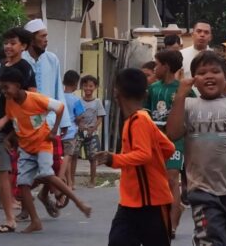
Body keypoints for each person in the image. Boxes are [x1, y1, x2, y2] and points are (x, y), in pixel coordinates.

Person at [165, 51, 226, 246]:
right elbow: (173, 133)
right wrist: (180, 96)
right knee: (211, 239)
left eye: (215, 71)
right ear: (194, 79)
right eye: (202, 73)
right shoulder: (188, 105)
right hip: (202, 190)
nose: (209, 76)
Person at [0, 67, 91, 233]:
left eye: (6, 87)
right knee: (23, 184)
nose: (3, 91)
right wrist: (8, 138)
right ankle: (35, 221)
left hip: (43, 144)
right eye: (1, 88)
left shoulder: (35, 99)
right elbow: (18, 122)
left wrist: (54, 130)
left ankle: (78, 202)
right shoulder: (10, 103)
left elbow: (60, 107)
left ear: (18, 86)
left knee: (47, 173)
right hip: (26, 148)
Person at [95, 68, 175, 246]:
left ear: (117, 93)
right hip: (133, 201)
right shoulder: (141, 119)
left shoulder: (138, 121)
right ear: (145, 93)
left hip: (149, 202)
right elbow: (168, 147)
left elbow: (143, 155)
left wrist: (113, 159)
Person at [0, 28, 37, 231]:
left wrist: (10, 123)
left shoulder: (26, 68)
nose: (8, 47)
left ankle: (31, 206)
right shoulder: (4, 67)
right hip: (0, 129)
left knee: (33, 170)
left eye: (13, 43)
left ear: (24, 46)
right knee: (2, 171)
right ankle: (9, 218)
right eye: (6, 43)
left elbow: (31, 98)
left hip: (20, 130)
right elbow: (0, 92)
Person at [145, 50, 194, 239]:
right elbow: (146, 114)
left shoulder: (183, 89)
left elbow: (193, 112)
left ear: (165, 66)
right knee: (160, 181)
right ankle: (171, 211)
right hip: (155, 141)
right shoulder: (152, 89)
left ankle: (171, 226)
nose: (154, 68)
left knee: (172, 178)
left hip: (175, 141)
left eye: (157, 64)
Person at [78, 75, 106, 188]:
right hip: (80, 132)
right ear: (82, 87)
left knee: (93, 157)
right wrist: (80, 125)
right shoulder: (79, 101)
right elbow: (77, 116)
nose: (88, 88)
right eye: (85, 85)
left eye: (91, 86)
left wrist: (93, 128)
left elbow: (100, 117)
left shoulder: (97, 102)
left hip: (92, 133)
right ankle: (70, 181)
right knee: (74, 155)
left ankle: (93, 180)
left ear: (95, 87)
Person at [61, 70, 85, 191]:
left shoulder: (58, 96)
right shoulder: (76, 100)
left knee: (65, 158)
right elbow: (80, 116)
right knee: (68, 157)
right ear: (76, 84)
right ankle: (63, 180)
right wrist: (79, 120)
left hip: (59, 132)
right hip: (70, 133)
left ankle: (68, 183)